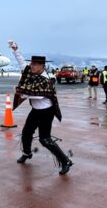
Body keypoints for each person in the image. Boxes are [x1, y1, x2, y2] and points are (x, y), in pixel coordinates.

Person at [9, 41, 72, 175]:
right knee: (26, 133)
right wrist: (16, 50)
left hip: (46, 112)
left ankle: (65, 161)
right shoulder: (32, 73)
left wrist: (20, 91)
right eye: (31, 63)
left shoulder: (46, 80)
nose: (31, 66)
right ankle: (27, 153)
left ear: (42, 66)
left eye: (34, 64)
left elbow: (36, 96)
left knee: (45, 139)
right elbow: (22, 64)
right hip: (36, 111)